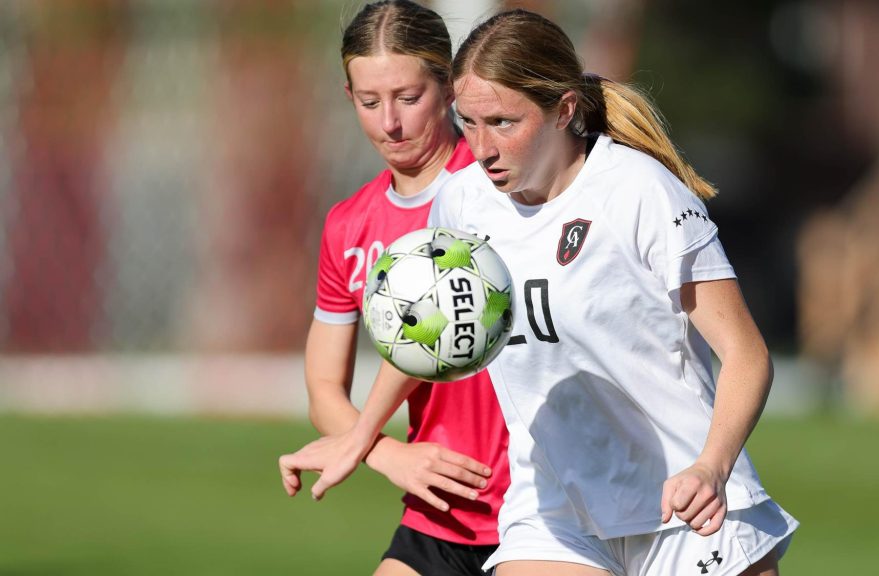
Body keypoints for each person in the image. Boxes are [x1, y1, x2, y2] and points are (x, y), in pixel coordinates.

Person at [281, 8, 798, 576]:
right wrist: (362, 437)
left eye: (503, 122)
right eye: (469, 122)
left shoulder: (640, 193)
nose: (481, 147)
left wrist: (712, 466)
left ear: (564, 112)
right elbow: (436, 335)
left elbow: (747, 354)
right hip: (556, 509)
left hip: (682, 500)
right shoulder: (463, 202)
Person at [279, 2, 510, 575]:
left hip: (542, 507)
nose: (390, 123)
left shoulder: (500, 190)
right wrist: (389, 454)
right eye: (369, 101)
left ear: (449, 88)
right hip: (440, 513)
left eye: (409, 98)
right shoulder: (348, 225)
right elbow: (324, 389)